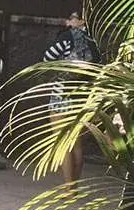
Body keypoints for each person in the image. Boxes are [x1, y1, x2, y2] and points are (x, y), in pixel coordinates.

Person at [41, 11, 101, 183]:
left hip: (62, 94)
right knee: (76, 144)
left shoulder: (67, 37)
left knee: (62, 143)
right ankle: (74, 186)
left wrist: (58, 69)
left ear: (81, 21)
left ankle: (68, 189)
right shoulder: (93, 43)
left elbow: (48, 57)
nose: (67, 22)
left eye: (71, 19)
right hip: (83, 96)